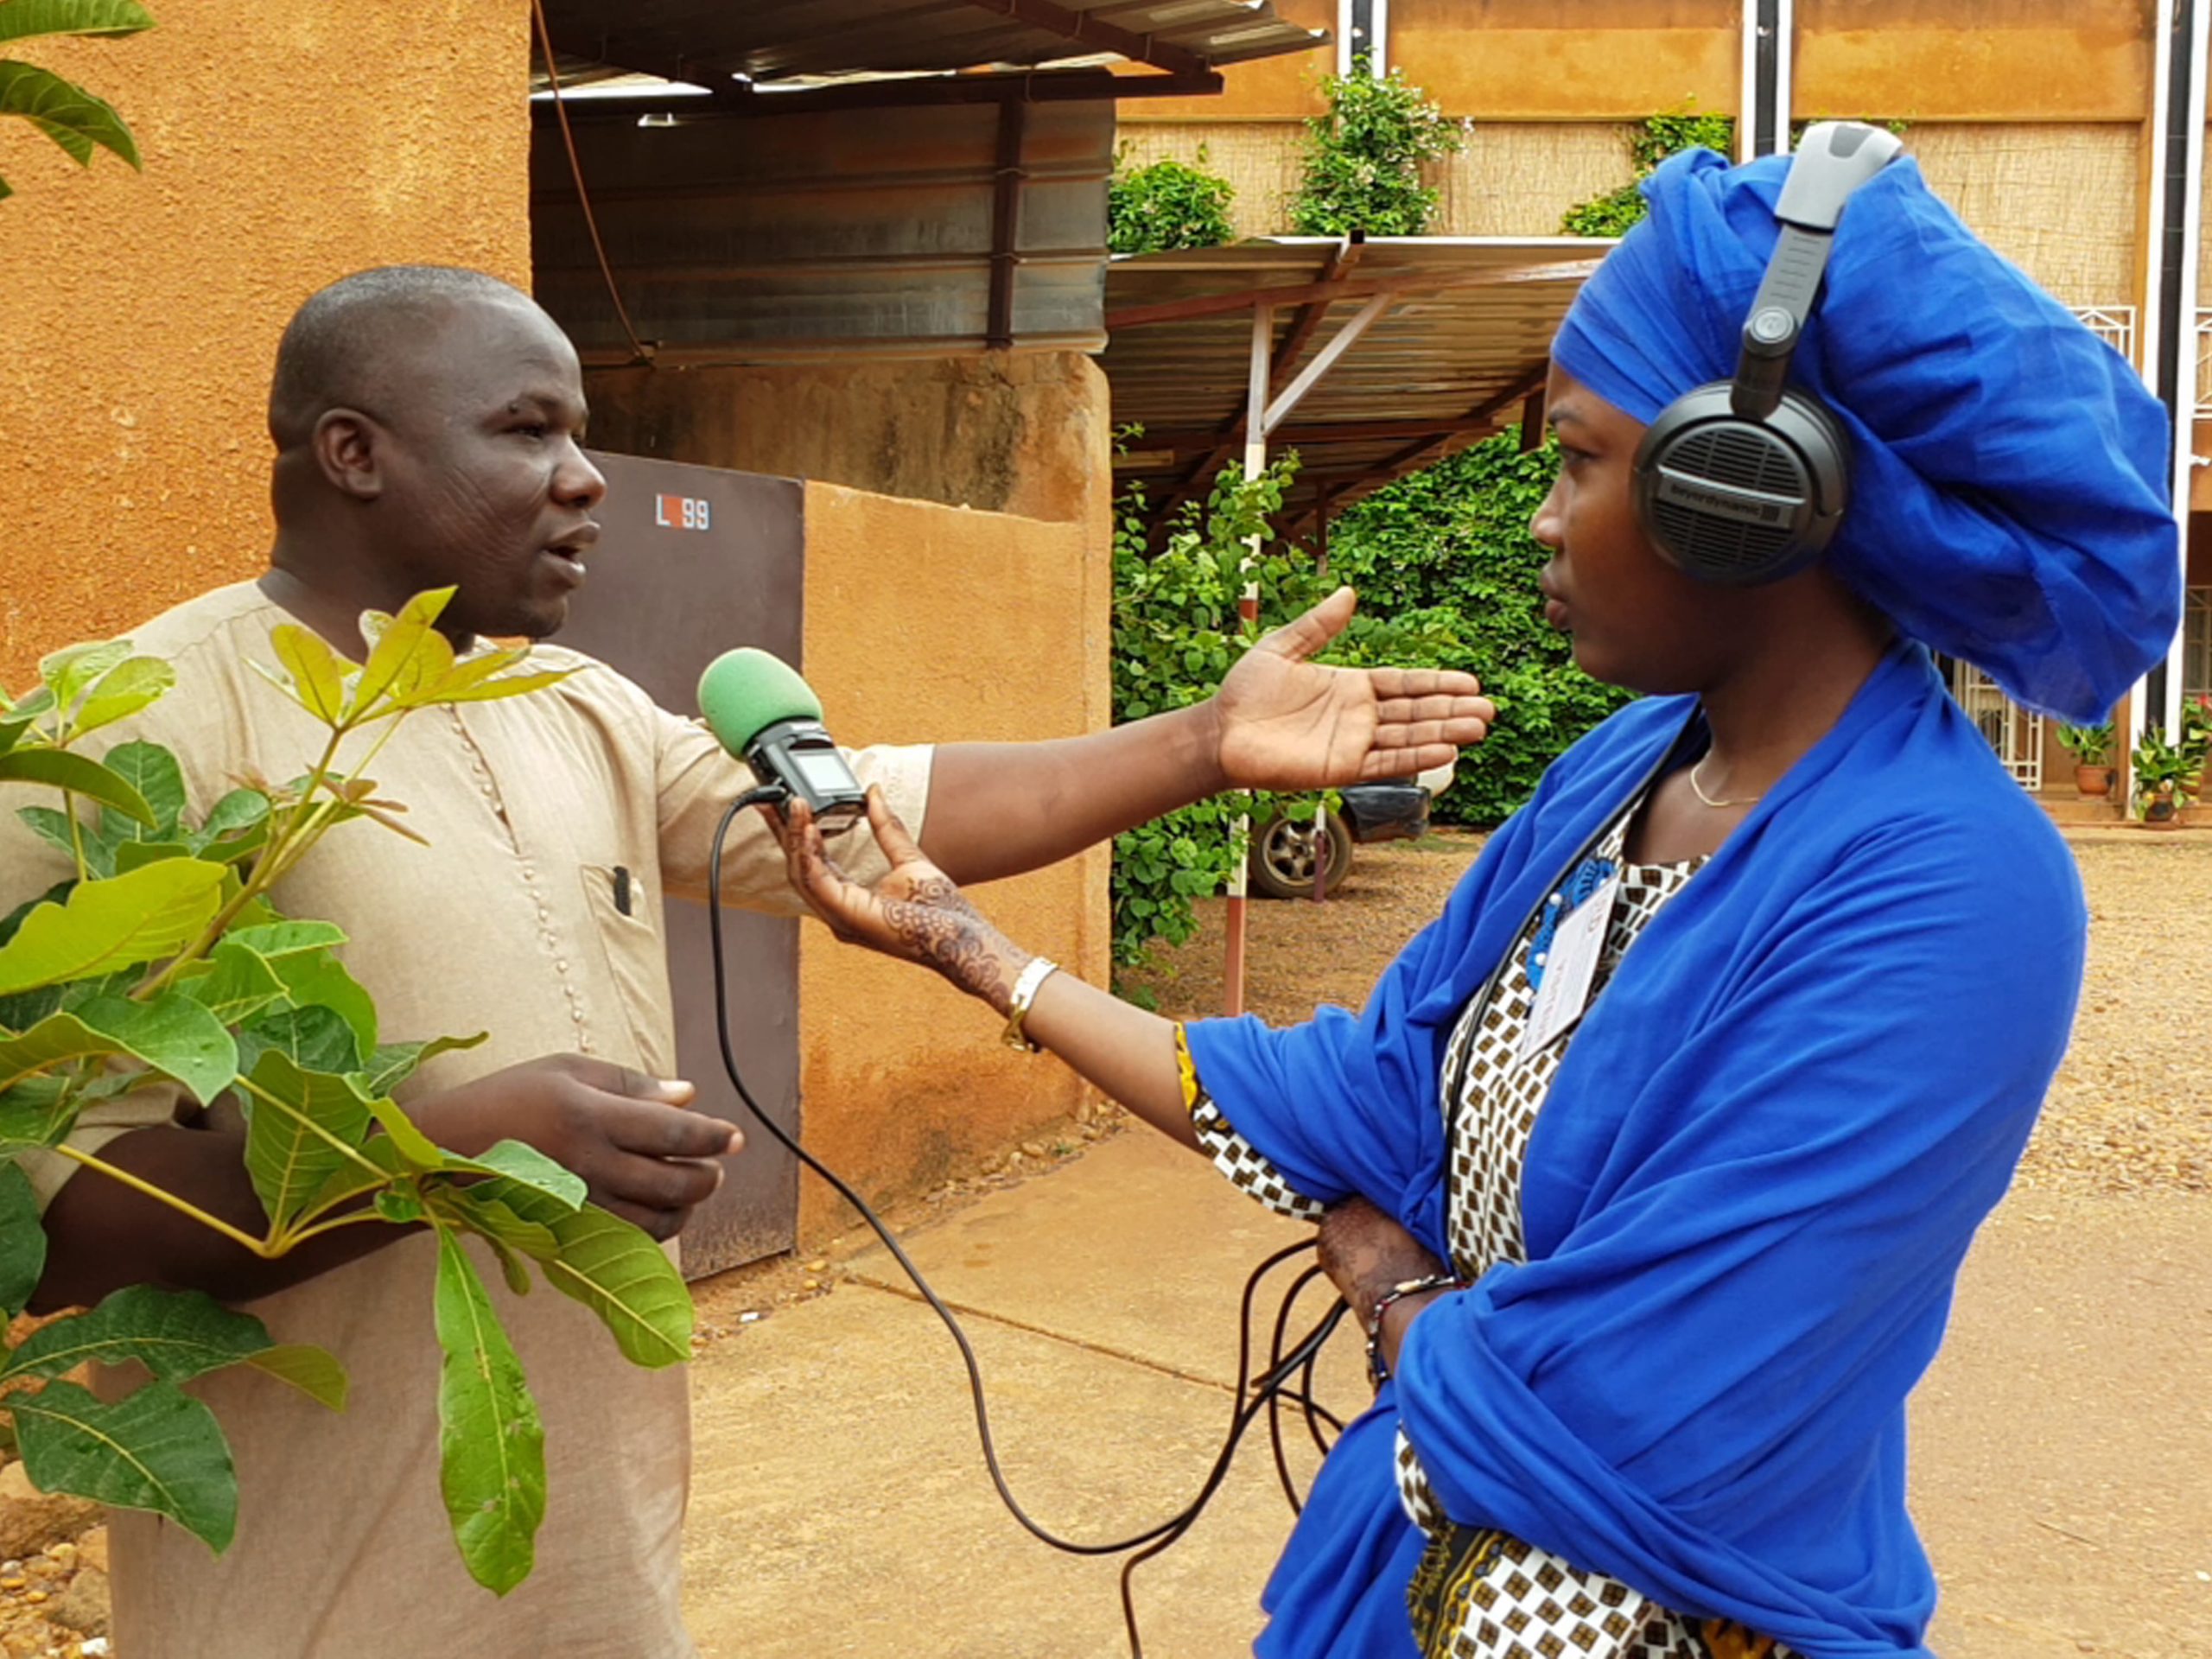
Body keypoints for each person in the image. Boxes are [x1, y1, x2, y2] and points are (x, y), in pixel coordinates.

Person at [763, 143, 2181, 1657]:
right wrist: (974, 952)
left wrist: (1391, 1296)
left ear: (1744, 495)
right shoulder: (1625, 771)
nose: (1542, 522)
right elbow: (1367, 1097)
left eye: (1577, 457)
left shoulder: (1950, 888)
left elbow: (1640, 1402)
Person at [2, 265, 1495, 1658]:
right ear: (352, 453)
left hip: (597, 1563)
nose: (585, 477)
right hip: (307, 1591)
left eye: (581, 433)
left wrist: (1197, 746)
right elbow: (49, 1220)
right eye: (528, 432)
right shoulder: (124, 734)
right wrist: (445, 1152)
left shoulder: (573, 703)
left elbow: (862, 817)